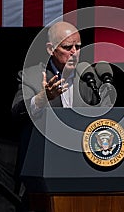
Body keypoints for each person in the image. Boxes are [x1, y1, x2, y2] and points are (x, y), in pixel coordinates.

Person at [11, 21, 104, 211]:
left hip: (83, 168)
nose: (74, 52)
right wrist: (43, 98)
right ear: (50, 49)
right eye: (67, 47)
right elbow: (17, 112)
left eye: (78, 46)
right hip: (43, 171)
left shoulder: (87, 76)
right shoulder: (31, 76)